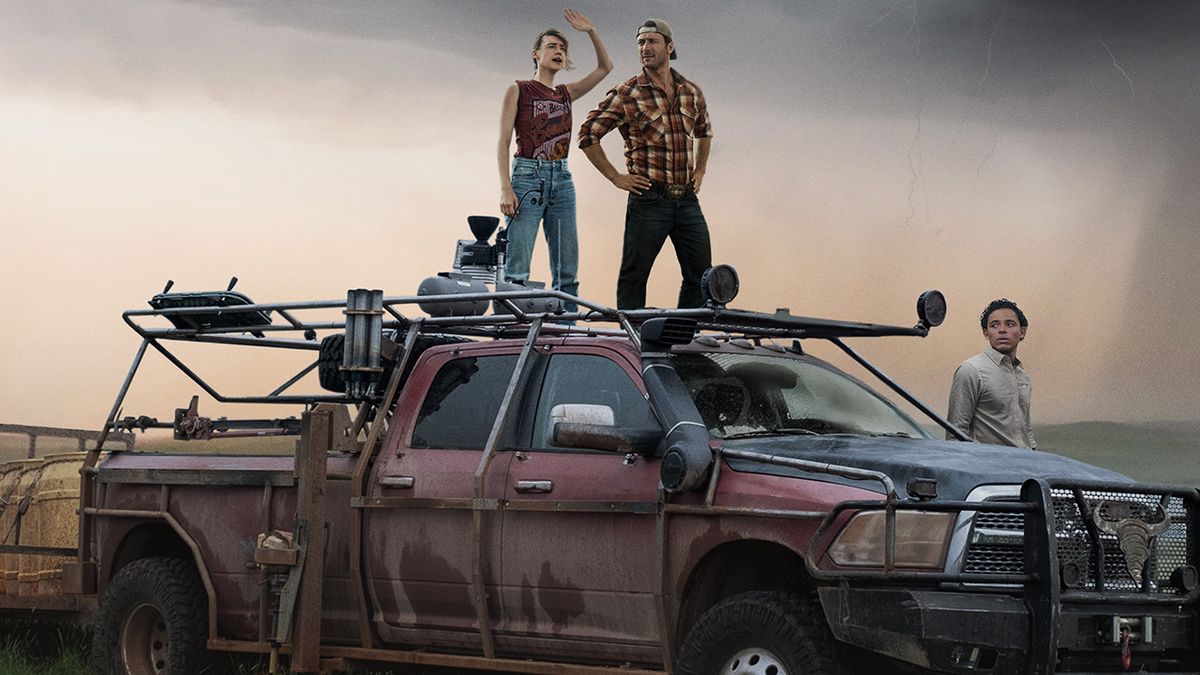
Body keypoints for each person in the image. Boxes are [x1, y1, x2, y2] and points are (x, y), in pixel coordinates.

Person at [578, 18, 713, 310]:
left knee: (701, 277)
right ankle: (635, 343)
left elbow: (704, 132)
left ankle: (682, 341)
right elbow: (588, 133)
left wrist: (700, 169)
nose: (645, 48)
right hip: (649, 198)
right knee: (635, 276)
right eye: (641, 42)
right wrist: (615, 177)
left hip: (686, 199)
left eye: (652, 41)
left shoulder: (690, 91)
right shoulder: (628, 93)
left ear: (670, 46)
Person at [497, 9, 613, 314]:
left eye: (563, 48)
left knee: (567, 273)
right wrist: (505, 188)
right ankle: (513, 335)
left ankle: (566, 335)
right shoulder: (519, 89)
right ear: (536, 54)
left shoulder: (566, 93)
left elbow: (605, 67)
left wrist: (590, 31)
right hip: (526, 177)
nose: (559, 51)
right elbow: (504, 140)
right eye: (552, 46)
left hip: (562, 180)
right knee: (516, 270)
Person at [947, 299, 1037, 449]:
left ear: (1022, 332)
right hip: (989, 466)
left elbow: (1025, 428)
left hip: (1025, 464)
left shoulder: (1022, 375)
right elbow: (955, 433)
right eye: (994, 325)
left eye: (1009, 324)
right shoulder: (971, 371)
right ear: (986, 333)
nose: (1002, 330)